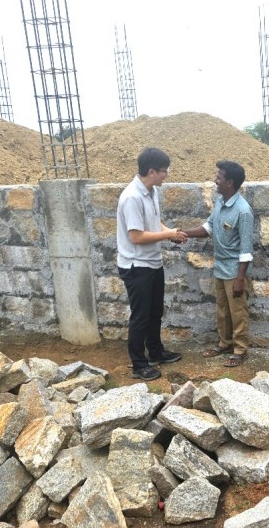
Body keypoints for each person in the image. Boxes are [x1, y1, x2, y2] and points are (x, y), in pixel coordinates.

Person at [116, 147, 185, 380]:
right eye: (164, 171)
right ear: (152, 171)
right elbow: (136, 236)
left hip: (153, 263)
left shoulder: (151, 191)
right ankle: (138, 364)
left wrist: (172, 232)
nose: (167, 175)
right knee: (140, 316)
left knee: (155, 312)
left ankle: (156, 352)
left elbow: (155, 223)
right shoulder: (132, 197)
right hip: (137, 266)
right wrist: (168, 235)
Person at [182, 160, 254, 367]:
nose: (215, 180)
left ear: (230, 182)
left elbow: (246, 250)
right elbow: (208, 228)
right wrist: (181, 233)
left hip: (235, 272)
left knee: (238, 312)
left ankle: (240, 350)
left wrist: (240, 279)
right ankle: (225, 343)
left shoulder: (243, 211)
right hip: (221, 268)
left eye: (219, 177)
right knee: (222, 309)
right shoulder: (220, 202)